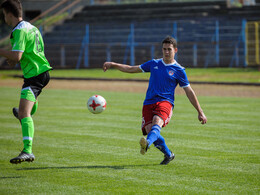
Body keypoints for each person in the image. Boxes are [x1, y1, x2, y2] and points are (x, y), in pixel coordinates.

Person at [103, 36, 207, 165]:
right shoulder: (154, 64)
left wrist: (200, 111)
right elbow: (131, 69)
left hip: (165, 102)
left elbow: (189, 91)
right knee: (149, 130)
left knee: (157, 123)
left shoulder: (179, 70)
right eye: (164, 49)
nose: (166, 52)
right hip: (148, 103)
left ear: (175, 50)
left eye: (169, 49)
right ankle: (168, 154)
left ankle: (147, 143)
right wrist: (113, 64)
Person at [0, 0, 52, 164]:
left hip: (34, 75)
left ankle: (27, 151)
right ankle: (26, 111)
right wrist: (16, 59)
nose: (4, 19)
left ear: (9, 13)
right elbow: (30, 52)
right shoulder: (32, 27)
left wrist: (10, 56)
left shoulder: (18, 31)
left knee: (24, 113)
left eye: (3, 15)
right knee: (25, 109)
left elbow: (17, 56)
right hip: (41, 72)